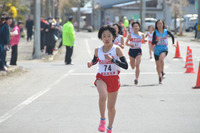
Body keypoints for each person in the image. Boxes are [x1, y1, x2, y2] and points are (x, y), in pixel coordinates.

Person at [87, 25, 128, 133]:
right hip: (102, 78)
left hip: (114, 78)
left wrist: (113, 60)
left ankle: (110, 127)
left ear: (113, 37)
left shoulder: (117, 49)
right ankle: (102, 119)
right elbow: (95, 60)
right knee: (103, 96)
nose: (106, 38)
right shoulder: (98, 50)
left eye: (109, 36)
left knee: (111, 107)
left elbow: (125, 66)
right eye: (104, 36)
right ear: (100, 37)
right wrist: (91, 63)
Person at [152, 20, 176, 84]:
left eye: (161, 23)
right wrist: (157, 40)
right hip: (157, 50)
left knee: (161, 59)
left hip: (164, 49)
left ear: (163, 24)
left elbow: (172, 36)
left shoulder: (166, 31)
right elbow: (153, 42)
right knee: (157, 65)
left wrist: (173, 43)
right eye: (158, 24)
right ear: (156, 25)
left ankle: (162, 72)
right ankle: (159, 76)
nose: (159, 25)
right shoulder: (155, 32)